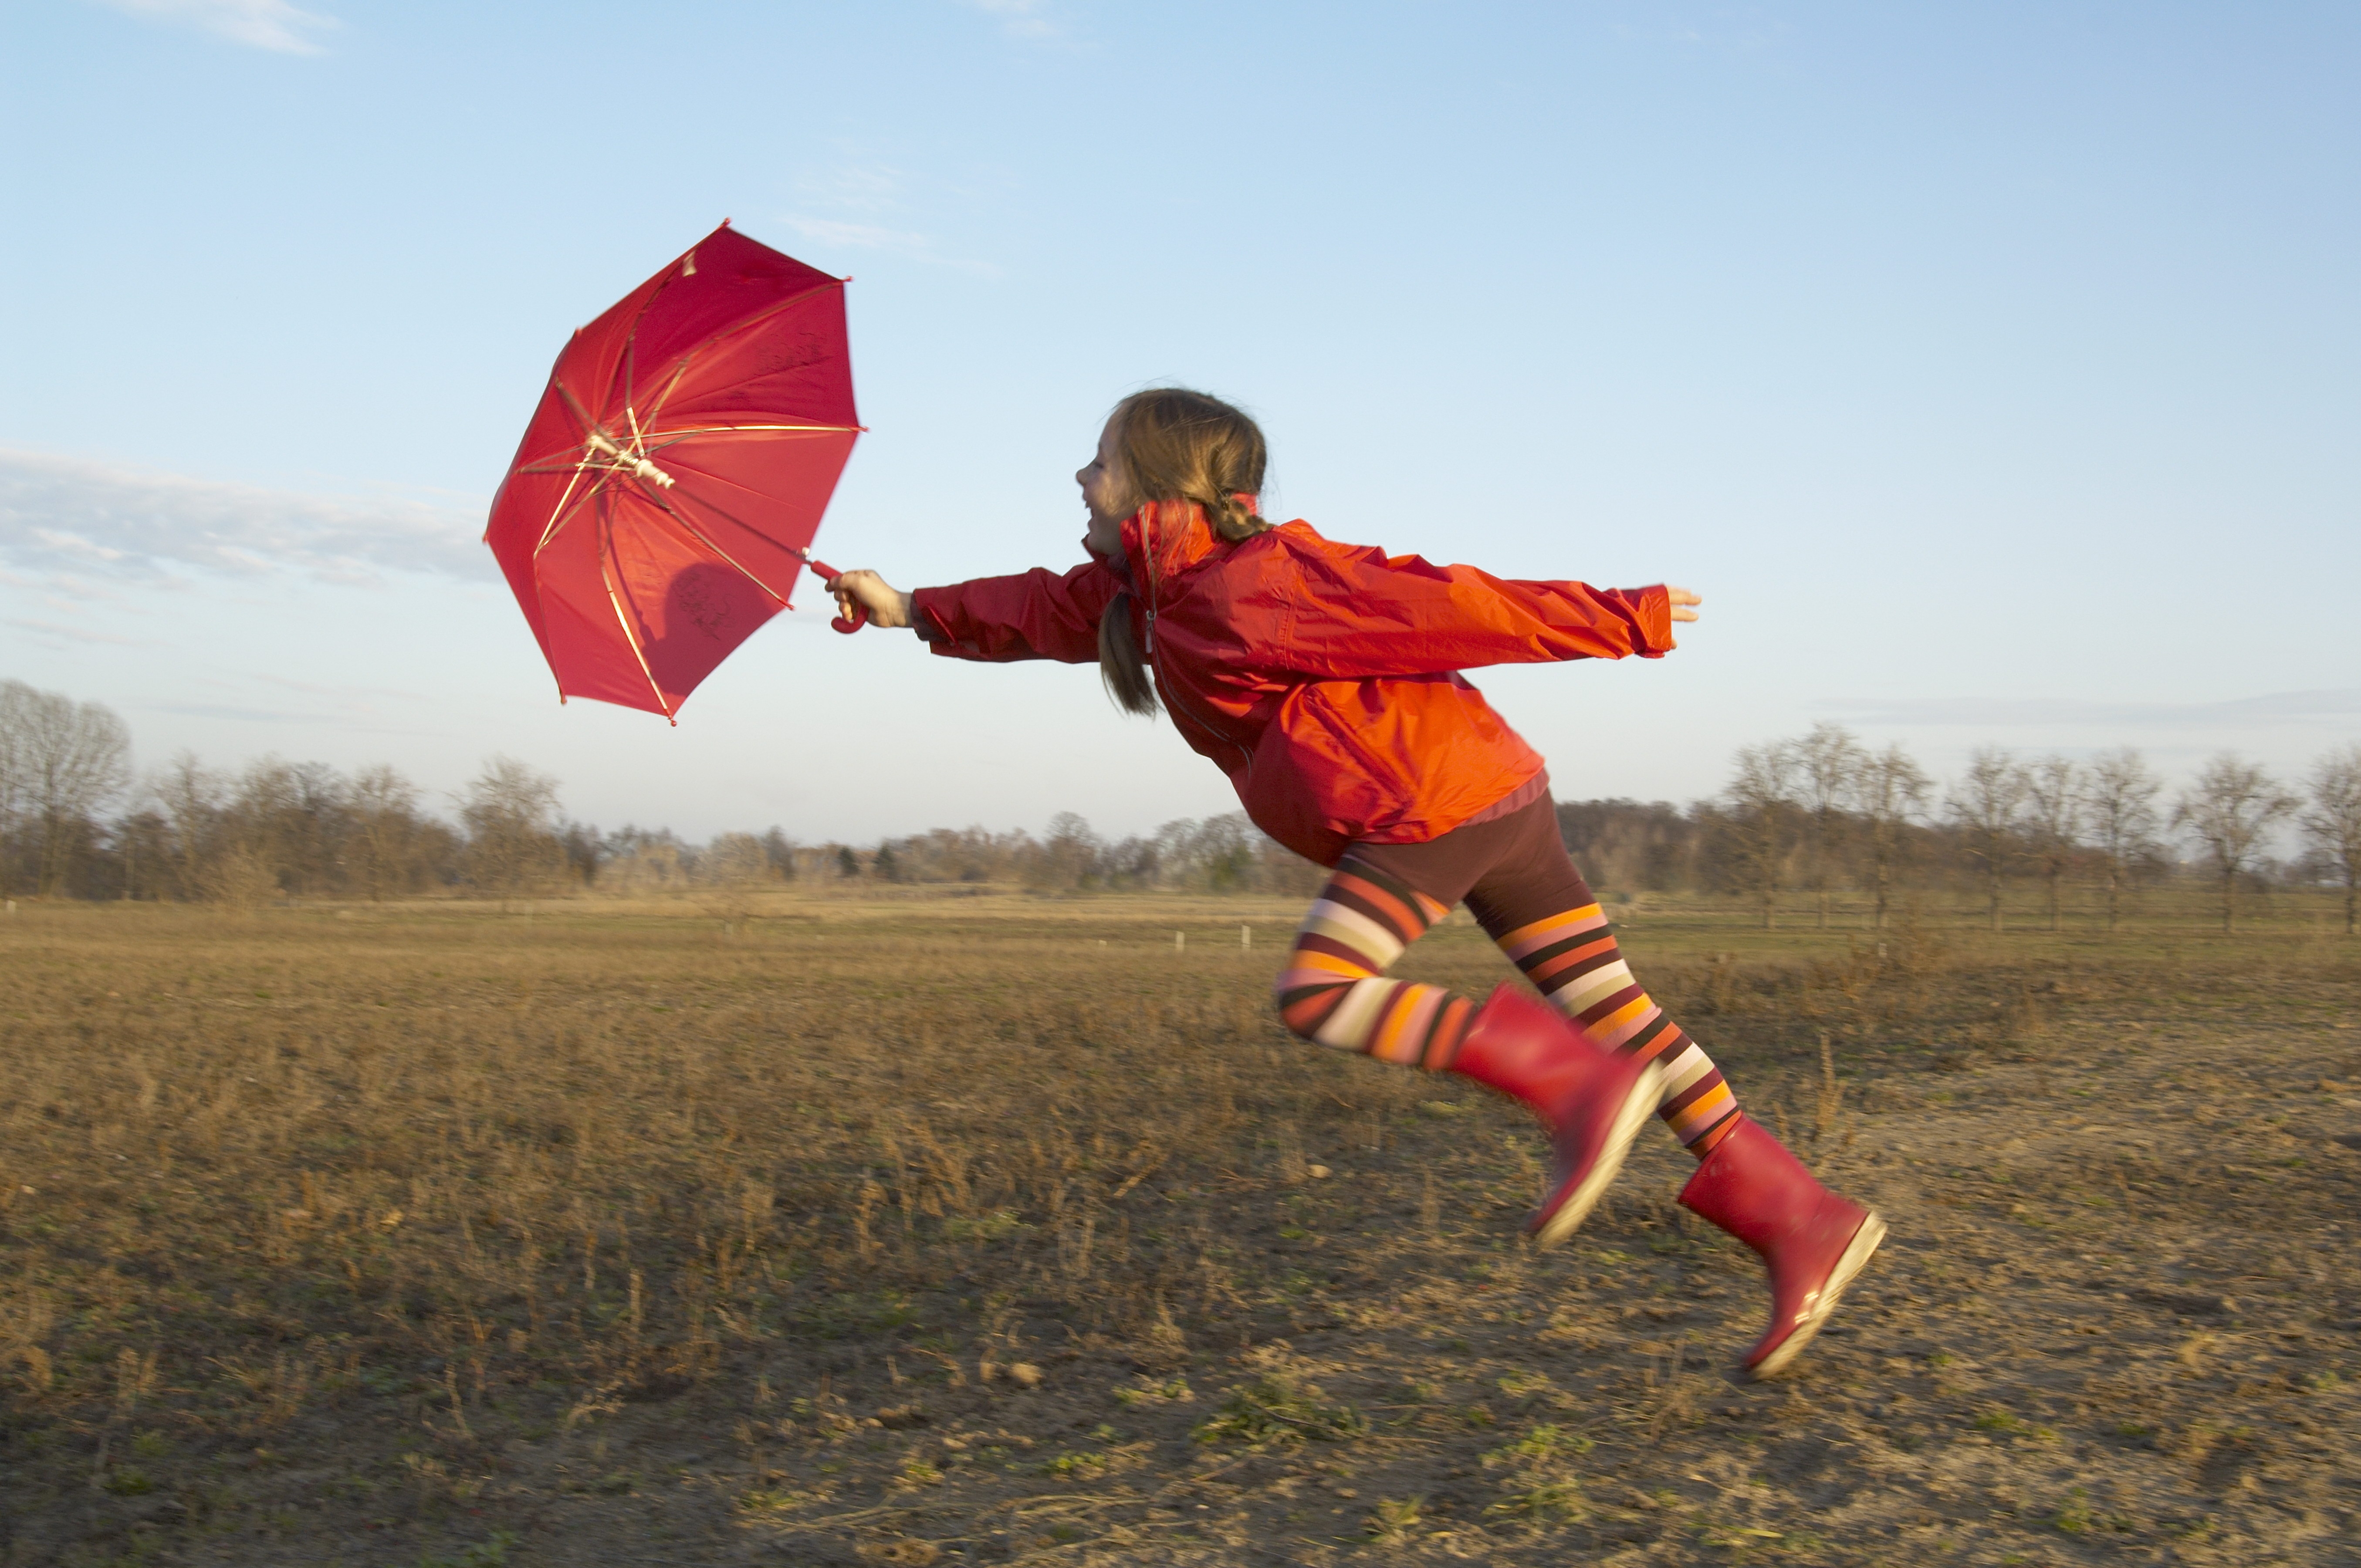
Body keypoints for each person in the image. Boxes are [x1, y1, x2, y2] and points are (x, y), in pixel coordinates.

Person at [828, 389, 1883, 1379]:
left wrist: (1620, 617)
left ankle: (1573, 1088)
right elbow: (1042, 610)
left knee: (1322, 993)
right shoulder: (1148, 597)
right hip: (1491, 796)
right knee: (1620, 1012)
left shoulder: (1256, 583)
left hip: (1429, 808)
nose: (1079, 480)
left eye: (1099, 465)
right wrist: (906, 606)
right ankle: (1801, 1217)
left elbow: (1441, 606)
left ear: (1163, 486)